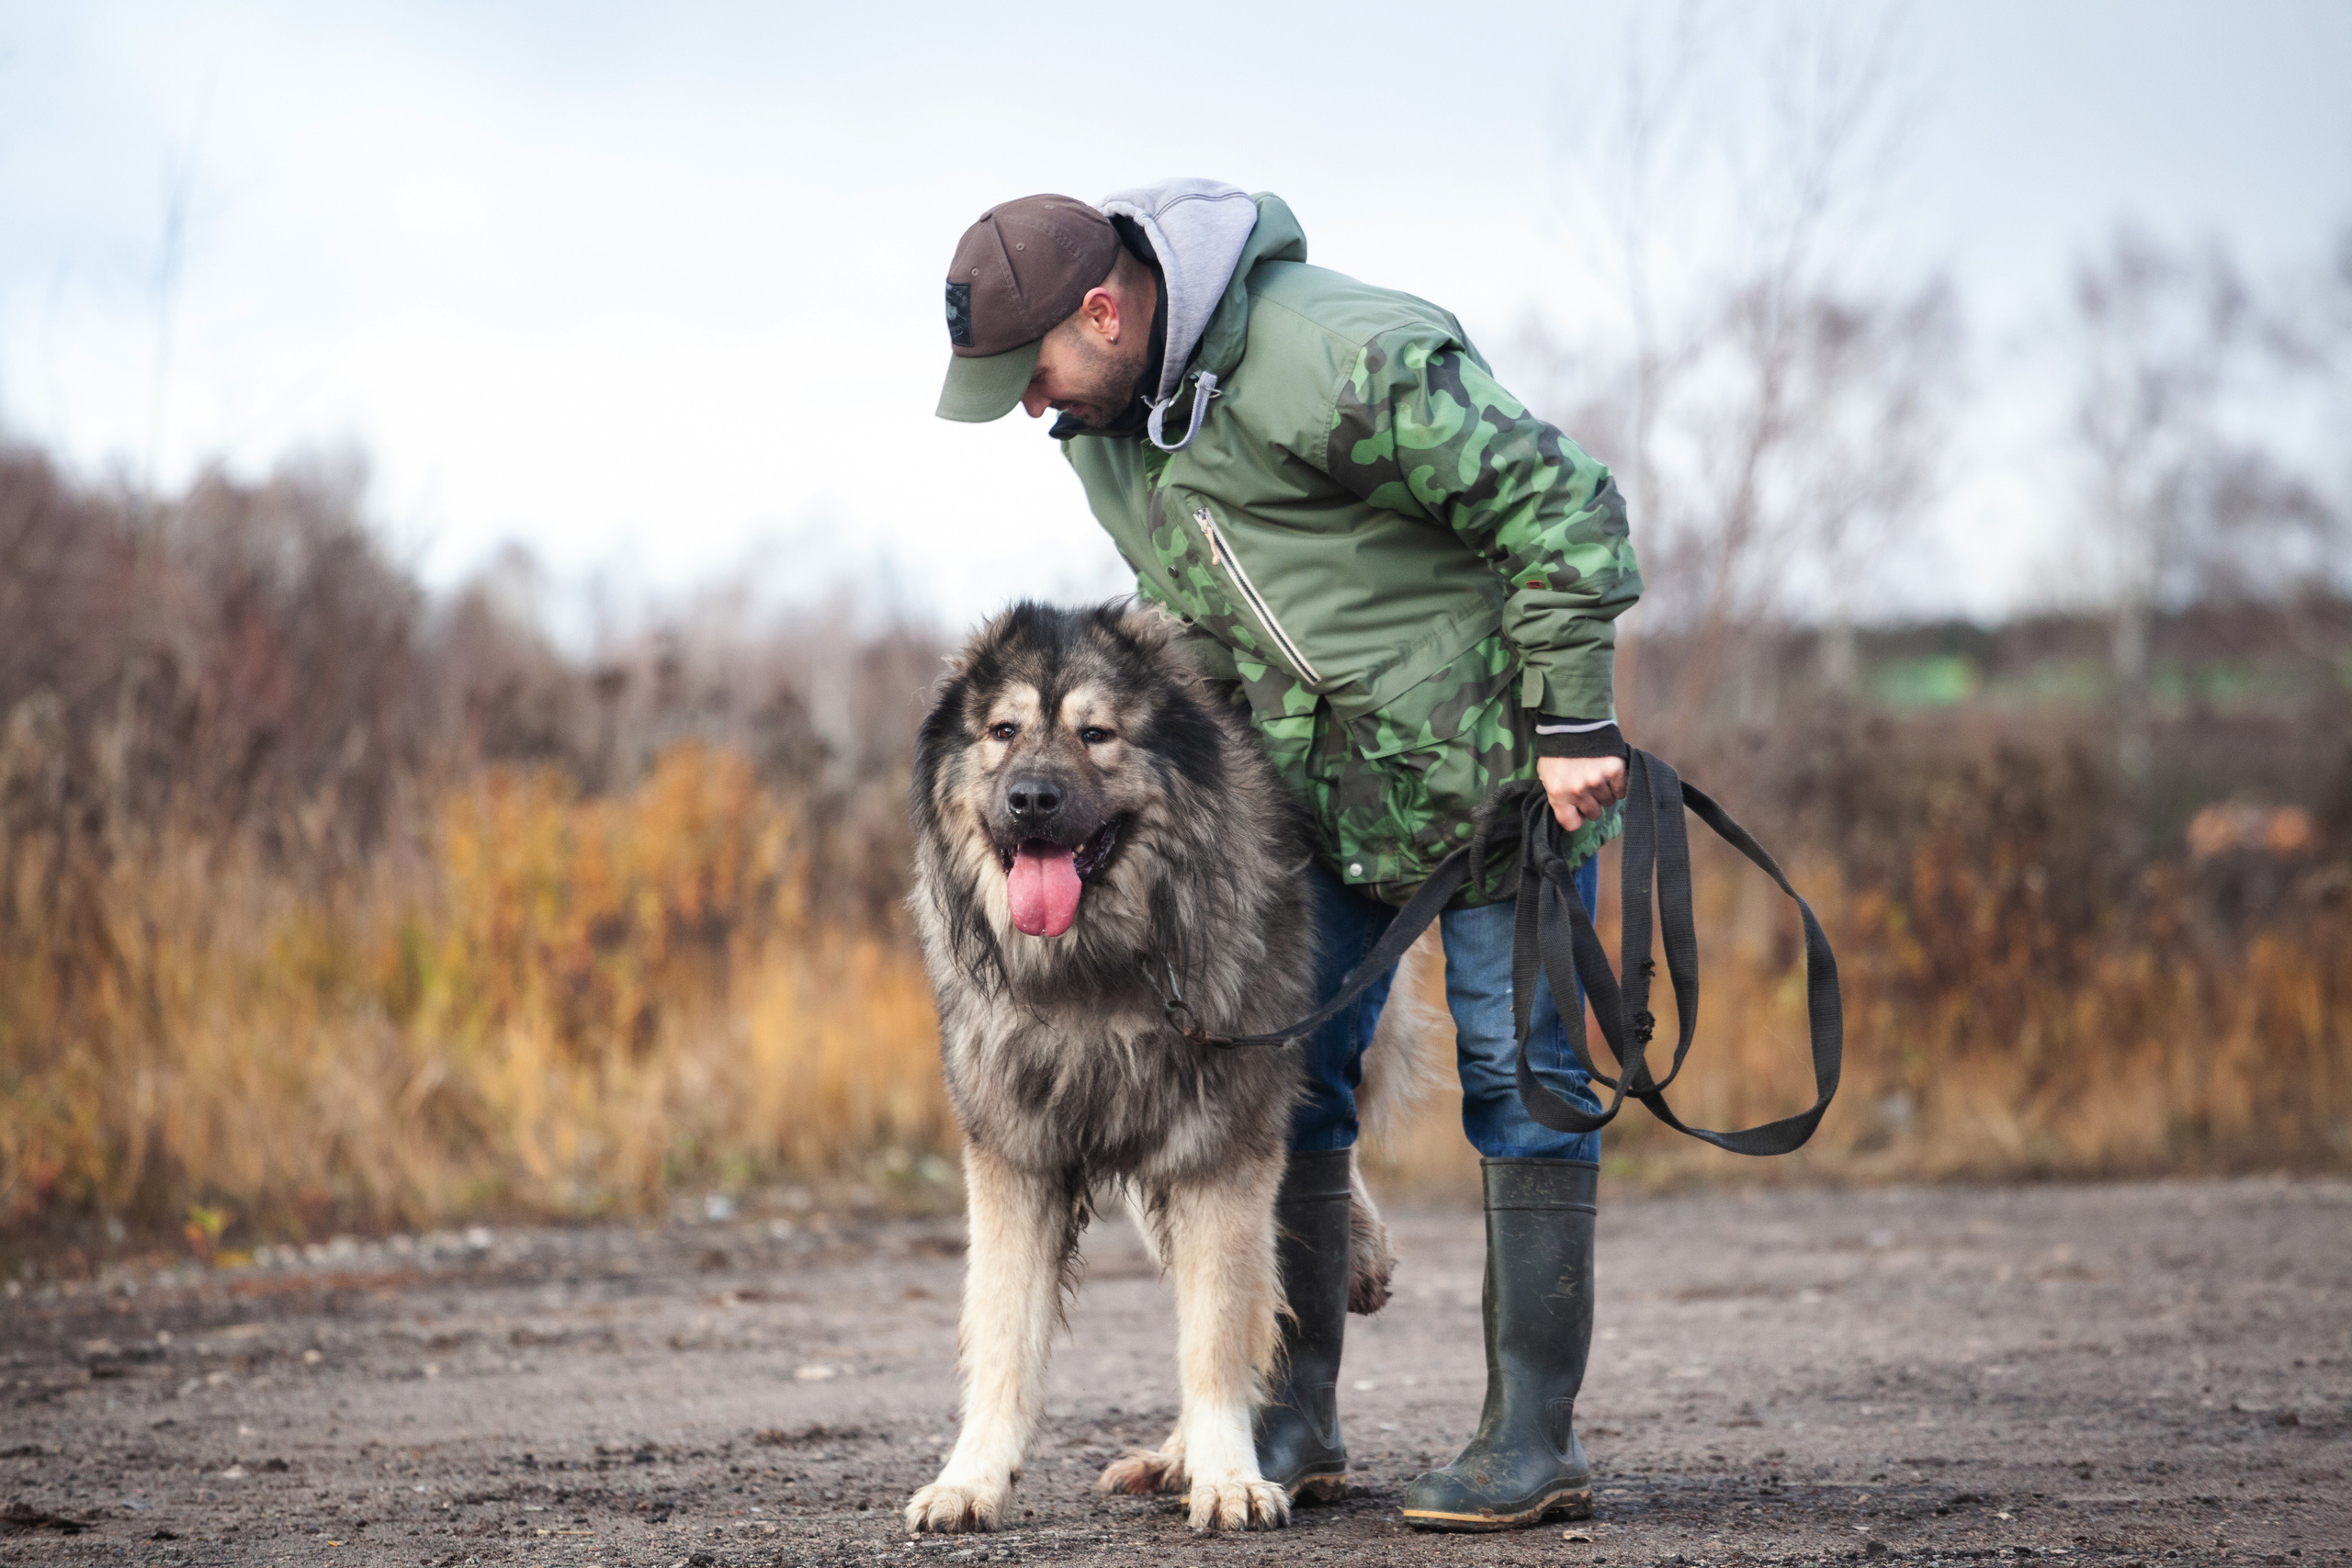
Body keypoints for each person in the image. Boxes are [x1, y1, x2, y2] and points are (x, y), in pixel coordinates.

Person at [933, 179, 1640, 1533]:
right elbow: (1217, 609)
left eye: (1033, 374)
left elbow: (1566, 504)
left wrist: (1573, 717)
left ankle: (1530, 1439)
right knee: (1278, 1088)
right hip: (1310, 800)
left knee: (1525, 1079)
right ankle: (1287, 1417)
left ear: (1105, 309)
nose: (1031, 406)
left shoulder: (1337, 353)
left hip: (1496, 776)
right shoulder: (1104, 430)